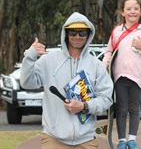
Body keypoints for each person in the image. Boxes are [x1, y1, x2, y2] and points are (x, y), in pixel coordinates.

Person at [20, 12, 113, 149]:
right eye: (72, 32)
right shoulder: (48, 61)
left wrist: (84, 106)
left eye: (82, 32)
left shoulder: (96, 65)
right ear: (66, 33)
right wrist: (30, 56)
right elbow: (27, 83)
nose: (77, 36)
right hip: (53, 139)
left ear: (89, 34)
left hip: (86, 139)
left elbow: (106, 98)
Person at [102, 0, 141, 149]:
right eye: (128, 8)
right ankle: (121, 140)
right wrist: (103, 66)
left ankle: (132, 139)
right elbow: (109, 51)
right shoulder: (116, 31)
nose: (132, 11)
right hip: (119, 76)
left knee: (134, 107)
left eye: (136, 8)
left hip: (137, 76)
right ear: (122, 11)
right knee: (121, 108)